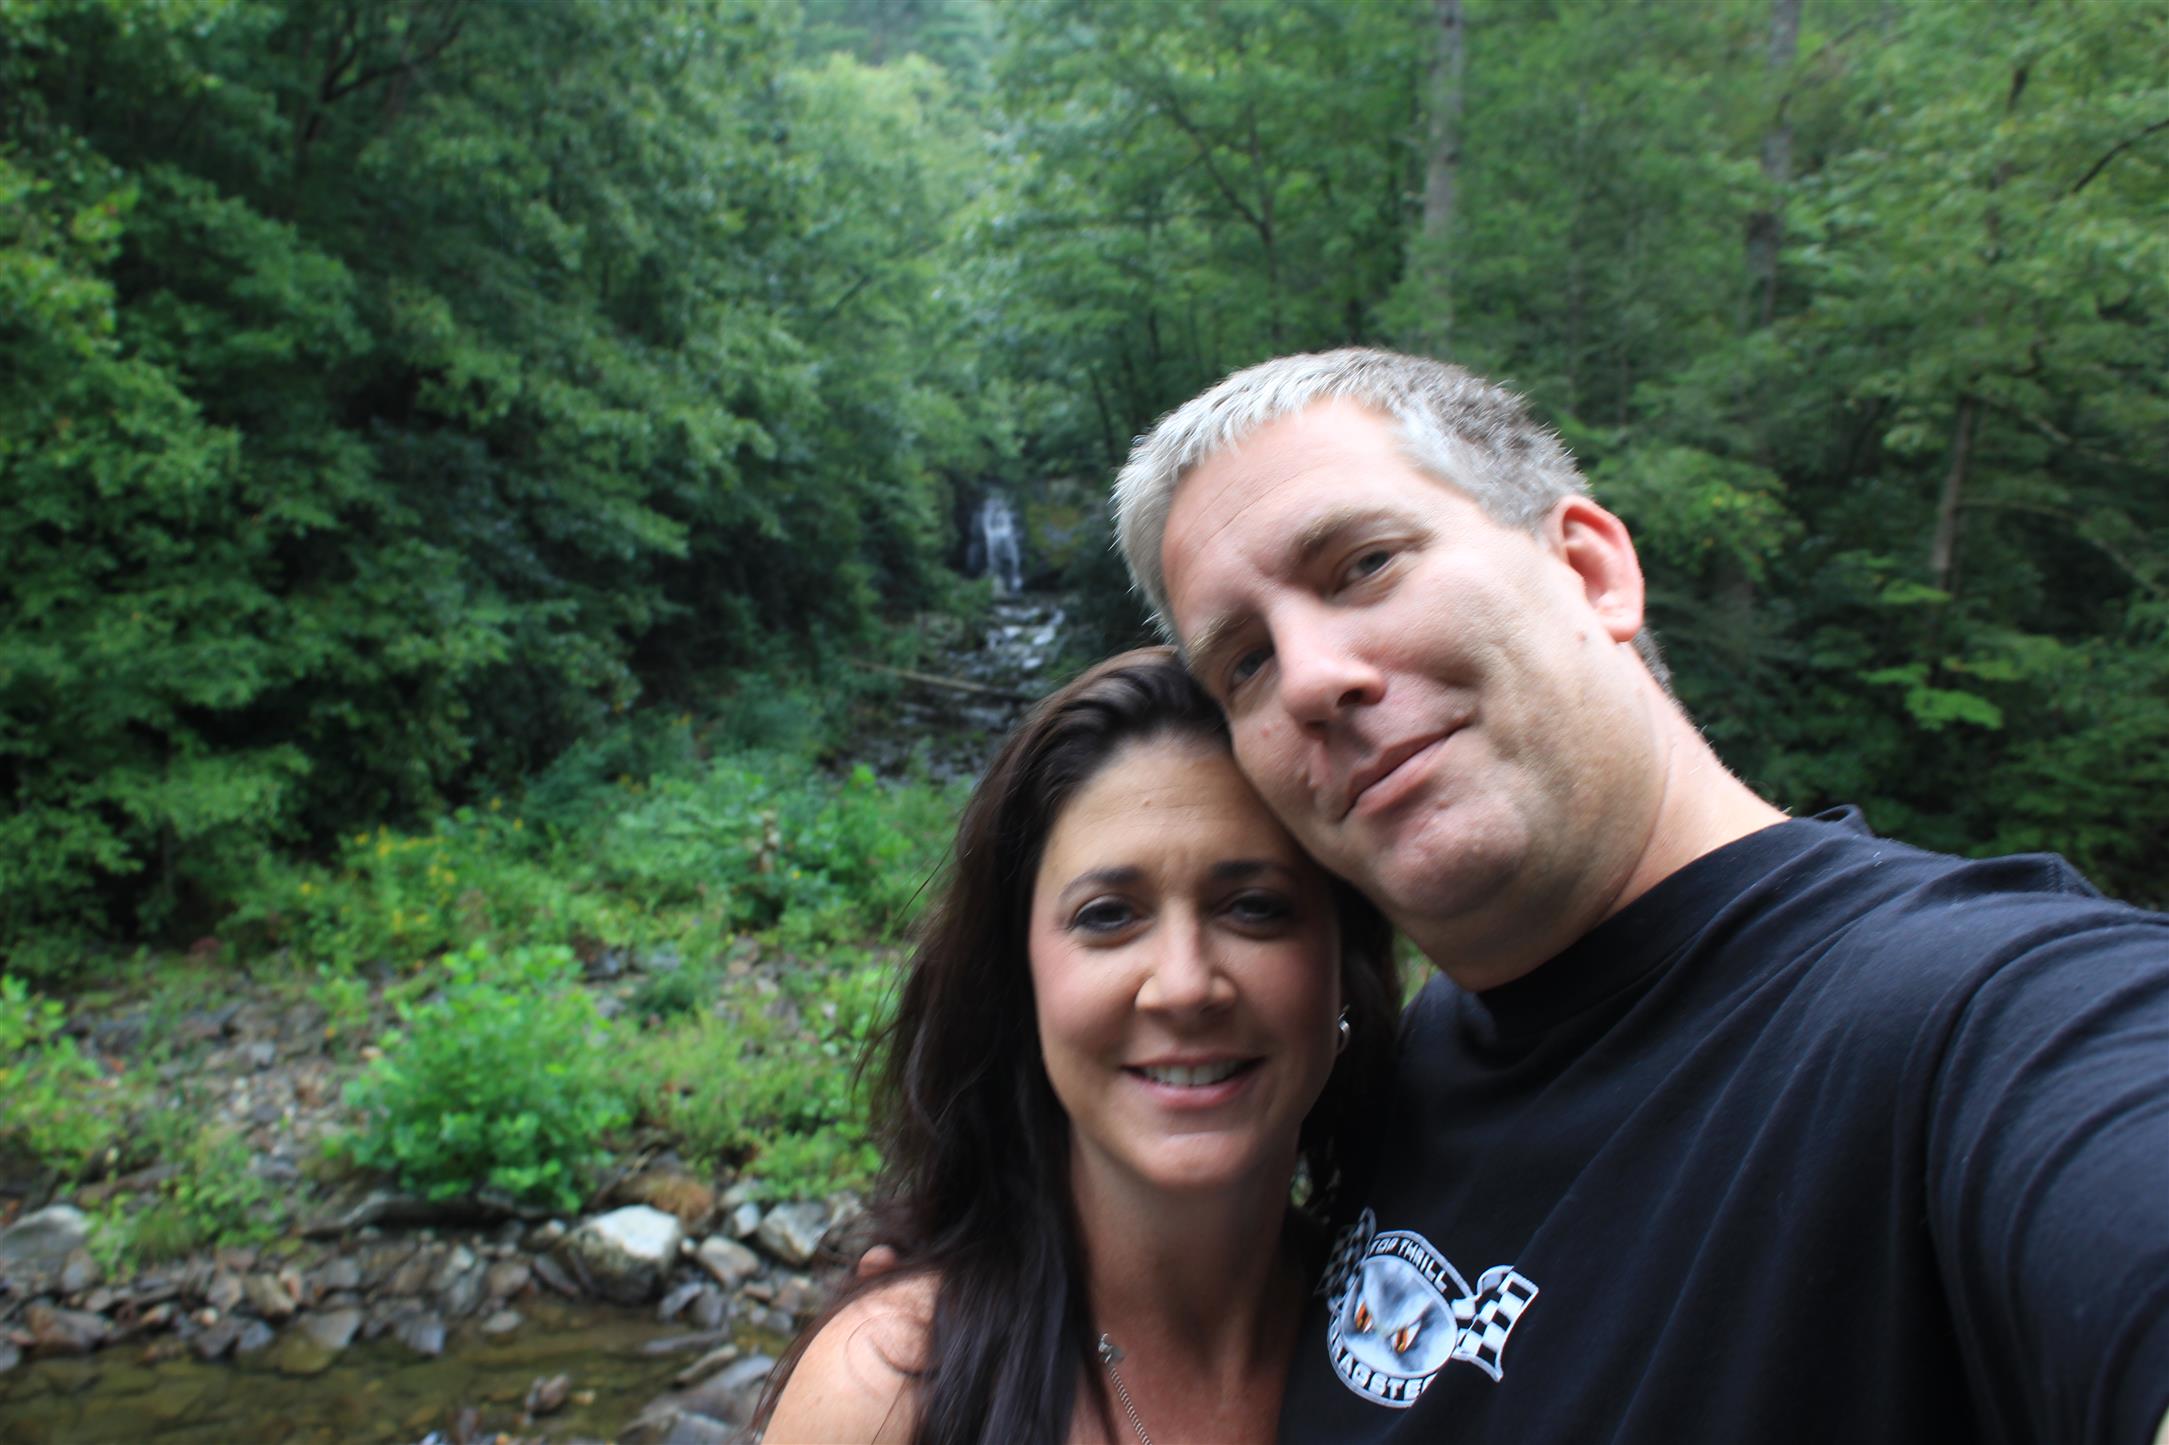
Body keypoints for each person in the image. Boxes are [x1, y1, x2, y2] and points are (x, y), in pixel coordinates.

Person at [1112, 347, 2169, 1445]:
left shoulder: (1985, 1015)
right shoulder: (1376, 1077)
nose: (1311, 678)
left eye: (1365, 565)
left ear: (1588, 569)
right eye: (1244, 662)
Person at [758, 648, 1400, 1444]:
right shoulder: (887, 1394)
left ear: (1344, 965)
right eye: (1108, 914)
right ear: (1019, 983)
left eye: (1254, 906)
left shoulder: (1430, 1338)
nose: (1183, 984)